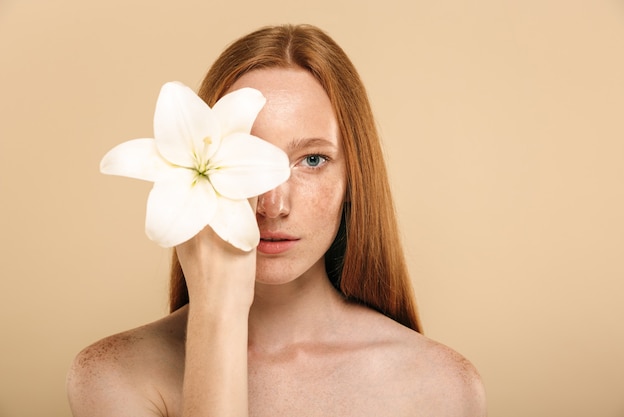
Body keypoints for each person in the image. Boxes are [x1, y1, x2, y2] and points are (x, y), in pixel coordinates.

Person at [67, 24, 486, 416]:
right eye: (246, 157)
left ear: (354, 178)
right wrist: (218, 315)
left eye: (313, 160)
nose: (272, 204)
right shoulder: (113, 375)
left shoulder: (440, 387)